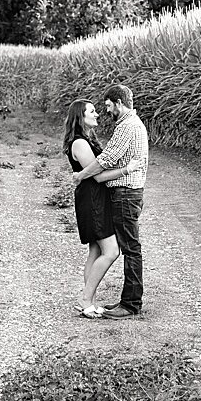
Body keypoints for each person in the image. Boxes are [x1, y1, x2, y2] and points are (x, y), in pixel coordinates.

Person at [73, 84, 148, 319]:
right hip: (112, 195)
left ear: (118, 103)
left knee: (128, 248)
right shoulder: (127, 125)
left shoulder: (127, 126)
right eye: (94, 110)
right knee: (110, 249)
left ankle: (130, 303)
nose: (104, 112)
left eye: (107, 106)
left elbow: (105, 160)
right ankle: (90, 300)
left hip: (125, 194)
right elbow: (105, 162)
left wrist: (80, 175)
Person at [63, 100, 135, 319]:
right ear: (80, 117)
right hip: (91, 200)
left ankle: (89, 302)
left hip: (96, 198)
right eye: (92, 112)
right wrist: (127, 169)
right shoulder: (79, 143)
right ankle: (85, 298)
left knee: (95, 252)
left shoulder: (87, 139)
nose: (97, 114)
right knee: (111, 251)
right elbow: (98, 175)